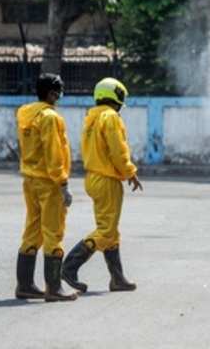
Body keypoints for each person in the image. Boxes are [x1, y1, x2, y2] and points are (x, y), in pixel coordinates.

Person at [62, 77, 143, 293]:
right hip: (108, 179)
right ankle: (70, 267)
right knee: (106, 231)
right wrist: (130, 172)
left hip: (93, 177)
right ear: (116, 97)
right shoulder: (111, 117)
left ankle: (117, 279)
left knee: (110, 231)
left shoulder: (91, 117)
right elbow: (118, 150)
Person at [15, 73, 77, 302]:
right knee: (53, 232)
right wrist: (63, 184)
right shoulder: (50, 118)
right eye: (58, 92)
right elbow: (54, 154)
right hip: (49, 182)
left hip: (29, 179)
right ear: (52, 93)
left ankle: (25, 284)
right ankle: (54, 287)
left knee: (32, 229)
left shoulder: (24, 113)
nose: (59, 97)